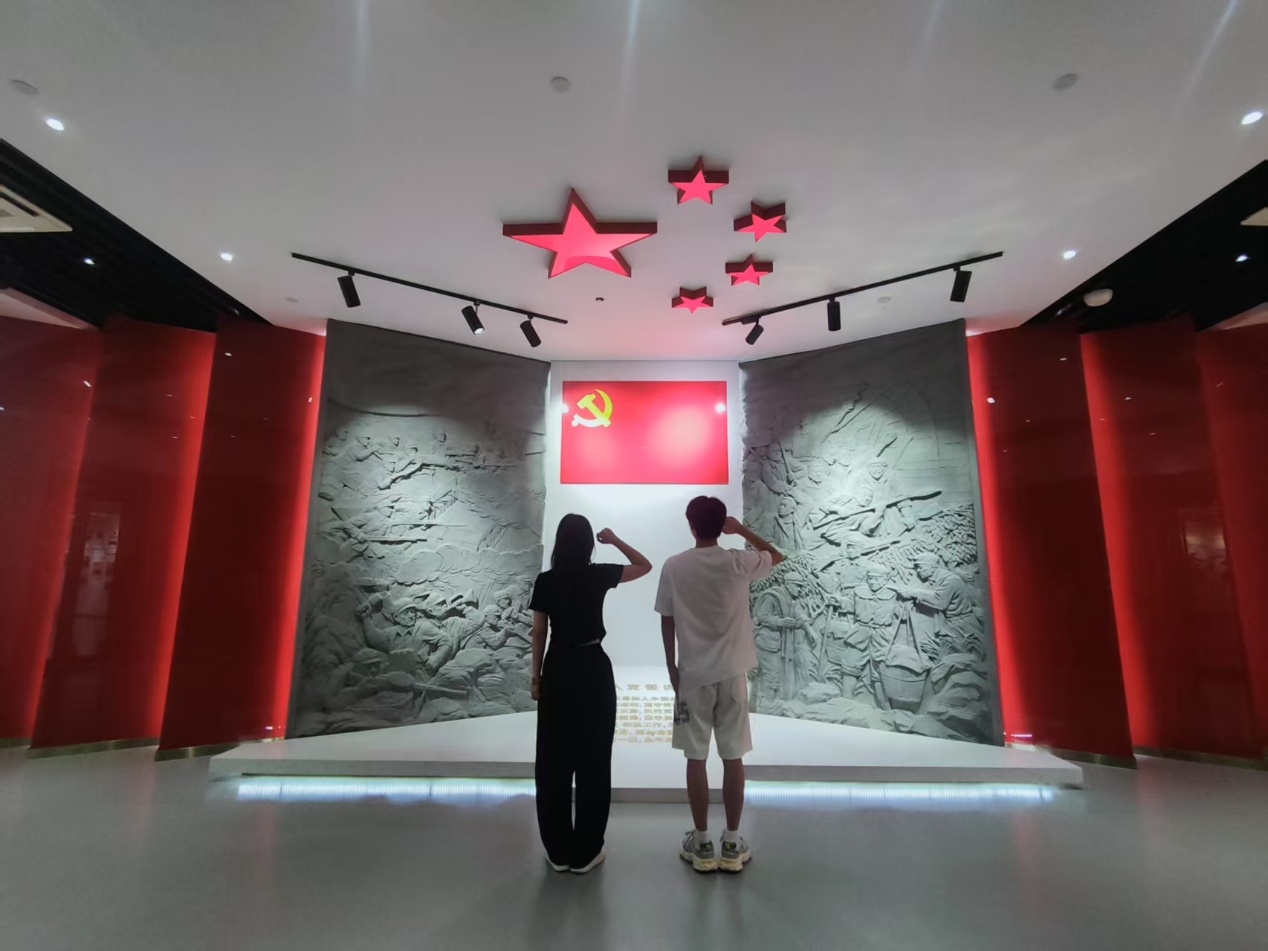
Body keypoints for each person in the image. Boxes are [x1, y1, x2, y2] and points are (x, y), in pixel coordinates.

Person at [656, 497, 784, 873]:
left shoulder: (674, 566)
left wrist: (671, 667)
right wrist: (740, 529)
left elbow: (666, 618)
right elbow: (775, 555)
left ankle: (701, 842)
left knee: (695, 757)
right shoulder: (737, 562)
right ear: (721, 525)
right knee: (733, 757)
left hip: (691, 677)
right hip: (732, 676)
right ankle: (731, 841)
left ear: (690, 525)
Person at [528, 514, 651, 874]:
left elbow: (539, 633)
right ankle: (586, 851)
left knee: (553, 759)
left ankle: (558, 851)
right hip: (593, 667)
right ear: (587, 544)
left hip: (557, 669)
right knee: (594, 759)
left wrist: (535, 677)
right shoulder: (597, 574)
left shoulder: (546, 580)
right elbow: (644, 565)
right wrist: (615, 539)